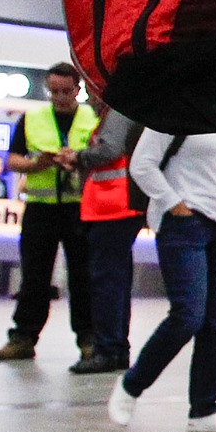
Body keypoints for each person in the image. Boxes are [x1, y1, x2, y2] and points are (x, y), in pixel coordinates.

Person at [107, 131, 216, 432]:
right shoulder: (174, 113)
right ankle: (131, 385)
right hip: (183, 223)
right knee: (188, 315)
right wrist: (173, 202)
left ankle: (204, 409)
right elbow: (142, 164)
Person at [0, 62, 97, 365]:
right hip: (40, 208)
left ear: (78, 89)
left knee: (83, 277)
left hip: (81, 207)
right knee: (34, 277)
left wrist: (79, 159)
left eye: (66, 91)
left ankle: (89, 339)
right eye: (54, 91)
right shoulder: (32, 118)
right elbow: (12, 161)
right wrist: (40, 164)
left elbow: (106, 156)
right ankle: (23, 337)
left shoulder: (93, 118)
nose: (60, 97)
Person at [73, 99, 142, 375]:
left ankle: (108, 349)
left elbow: (110, 150)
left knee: (107, 282)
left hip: (111, 207)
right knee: (116, 280)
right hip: (118, 206)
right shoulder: (124, 111)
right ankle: (116, 348)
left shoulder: (117, 113)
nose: (87, 93)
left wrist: (77, 157)